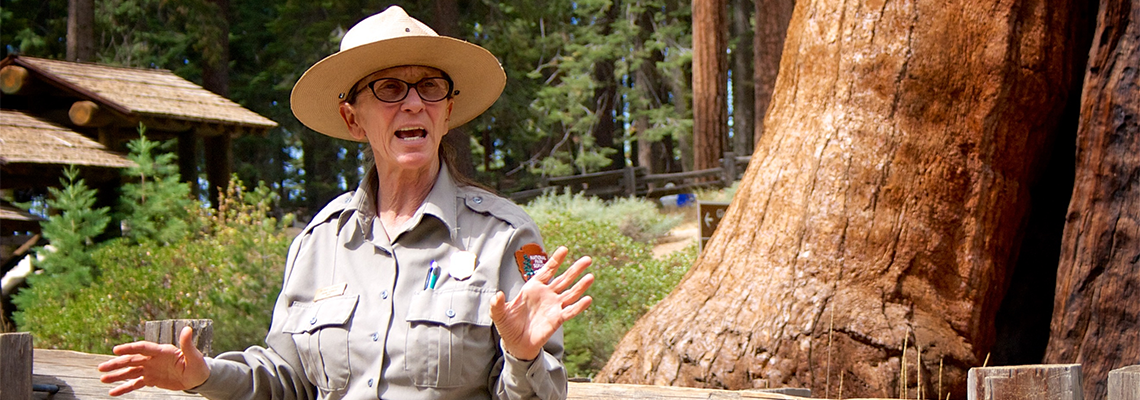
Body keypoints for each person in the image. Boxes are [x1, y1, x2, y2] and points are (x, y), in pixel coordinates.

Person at [96, 6, 594, 400]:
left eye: (431, 87)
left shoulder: (504, 237)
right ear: (353, 120)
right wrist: (205, 375)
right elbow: (285, 380)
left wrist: (523, 356)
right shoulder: (319, 242)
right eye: (390, 88)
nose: (415, 103)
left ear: (447, 113)